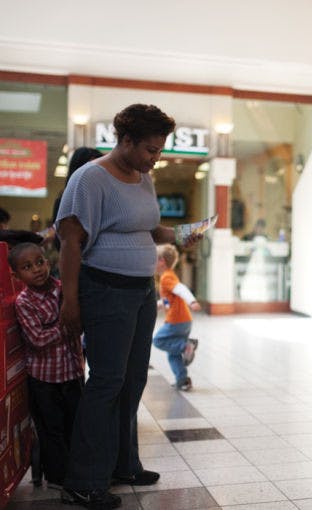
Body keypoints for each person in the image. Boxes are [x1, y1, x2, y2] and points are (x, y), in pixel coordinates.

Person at [55, 103, 194, 509]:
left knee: (133, 381)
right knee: (106, 383)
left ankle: (123, 464)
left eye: (160, 149)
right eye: (151, 149)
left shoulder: (142, 177)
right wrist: (70, 300)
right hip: (106, 291)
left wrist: (182, 233)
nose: (157, 157)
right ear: (126, 141)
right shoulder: (90, 179)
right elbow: (70, 242)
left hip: (140, 292)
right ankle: (82, 481)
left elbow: (150, 228)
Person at [8, 243, 84, 490]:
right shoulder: (24, 302)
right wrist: (67, 321)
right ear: (16, 276)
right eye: (27, 267)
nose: (37, 269)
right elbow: (38, 340)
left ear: (48, 261)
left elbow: (79, 323)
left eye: (39, 262)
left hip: (72, 372)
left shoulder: (64, 290)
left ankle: (75, 471)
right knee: (51, 429)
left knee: (73, 424)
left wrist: (70, 318)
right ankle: (57, 478)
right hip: (43, 379)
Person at [153, 244, 200, 391]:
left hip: (177, 321)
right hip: (184, 321)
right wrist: (158, 305)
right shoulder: (169, 276)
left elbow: (181, 289)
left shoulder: (166, 277)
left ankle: (186, 346)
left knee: (158, 340)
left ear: (161, 261)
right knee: (172, 353)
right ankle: (183, 380)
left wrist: (192, 301)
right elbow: (169, 299)